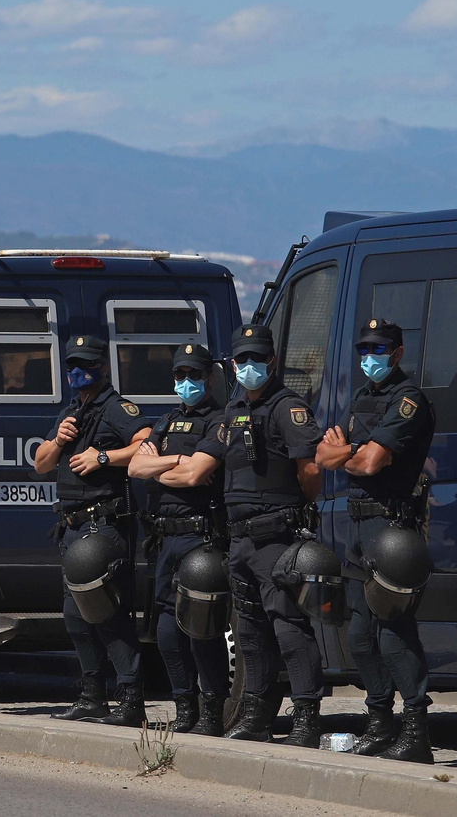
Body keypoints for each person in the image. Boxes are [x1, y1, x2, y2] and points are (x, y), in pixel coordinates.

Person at [187, 323, 324, 745]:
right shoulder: (232, 411)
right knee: (249, 630)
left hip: (275, 537)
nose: (249, 366)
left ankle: (305, 717)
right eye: (241, 359)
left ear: (272, 361)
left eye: (256, 359)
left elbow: (311, 471)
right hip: (240, 540)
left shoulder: (288, 407)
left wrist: (290, 510)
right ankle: (257, 715)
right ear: (232, 364)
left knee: (287, 625)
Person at [316, 318, 437, 763]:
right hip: (358, 533)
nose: (370, 357)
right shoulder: (363, 399)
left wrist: (349, 453)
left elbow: (371, 462)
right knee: (361, 637)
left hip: (391, 532)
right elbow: (324, 454)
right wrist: (354, 453)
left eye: (379, 349)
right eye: (364, 349)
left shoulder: (408, 401)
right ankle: (380, 722)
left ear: (398, 353)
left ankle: (416, 729)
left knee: (394, 636)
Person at [32, 336, 151, 727]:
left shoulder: (115, 407)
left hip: (104, 527)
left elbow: (148, 442)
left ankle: (131, 698)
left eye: (87, 364)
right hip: (71, 528)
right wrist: (58, 439)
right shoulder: (71, 411)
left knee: (109, 615)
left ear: (103, 367)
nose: (79, 372)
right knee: (75, 617)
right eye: (72, 365)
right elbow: (41, 465)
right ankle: (92, 695)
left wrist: (104, 457)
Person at [127, 343, 230, 736]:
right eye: (180, 375)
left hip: (200, 537)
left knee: (202, 628)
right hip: (165, 540)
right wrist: (172, 462)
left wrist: (163, 467)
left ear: (208, 378)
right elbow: (137, 466)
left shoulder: (218, 421)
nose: (186, 382)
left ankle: (212, 710)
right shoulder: (167, 421)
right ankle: (184, 706)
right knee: (167, 631)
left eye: (193, 375)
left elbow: (196, 476)